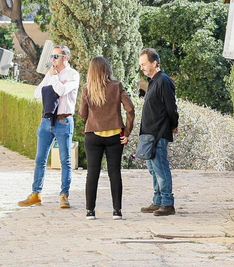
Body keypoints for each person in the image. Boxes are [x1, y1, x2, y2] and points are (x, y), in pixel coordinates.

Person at [20, 44, 79, 209]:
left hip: (63, 121)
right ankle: (36, 194)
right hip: (46, 121)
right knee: (40, 159)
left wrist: (53, 79)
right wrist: (51, 78)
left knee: (65, 160)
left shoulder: (73, 75)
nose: (52, 59)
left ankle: (64, 195)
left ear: (65, 58)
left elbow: (62, 91)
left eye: (56, 56)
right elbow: (37, 93)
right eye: (52, 56)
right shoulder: (51, 73)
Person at [76, 55, 135, 220]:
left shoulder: (87, 88)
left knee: (92, 173)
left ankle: (90, 211)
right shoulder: (117, 86)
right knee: (114, 172)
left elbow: (82, 114)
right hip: (115, 135)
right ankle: (117, 211)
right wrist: (127, 131)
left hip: (93, 135)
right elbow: (130, 108)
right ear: (107, 69)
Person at [137, 47, 178, 216]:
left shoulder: (163, 81)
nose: (142, 68)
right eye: (141, 65)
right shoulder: (153, 81)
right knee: (153, 170)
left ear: (154, 63)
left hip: (158, 134)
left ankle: (167, 203)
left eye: (144, 64)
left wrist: (173, 124)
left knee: (161, 169)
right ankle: (158, 201)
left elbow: (171, 108)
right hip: (148, 135)